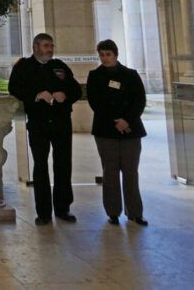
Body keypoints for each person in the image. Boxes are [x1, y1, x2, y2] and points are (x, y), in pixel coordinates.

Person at [8, 32, 82, 225]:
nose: (49, 49)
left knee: (63, 165)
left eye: (51, 46)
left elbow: (75, 90)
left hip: (61, 123)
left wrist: (64, 94)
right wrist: (36, 95)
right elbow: (14, 88)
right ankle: (43, 212)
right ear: (35, 47)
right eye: (46, 46)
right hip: (38, 123)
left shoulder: (60, 67)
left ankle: (63, 208)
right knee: (40, 166)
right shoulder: (23, 67)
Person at [87, 39, 148, 226]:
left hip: (130, 129)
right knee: (110, 171)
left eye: (108, 54)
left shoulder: (130, 75)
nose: (105, 58)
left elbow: (139, 100)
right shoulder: (95, 76)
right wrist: (117, 121)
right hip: (106, 129)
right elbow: (96, 102)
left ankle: (135, 212)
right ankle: (113, 211)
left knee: (131, 171)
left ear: (116, 55)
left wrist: (126, 120)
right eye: (102, 55)